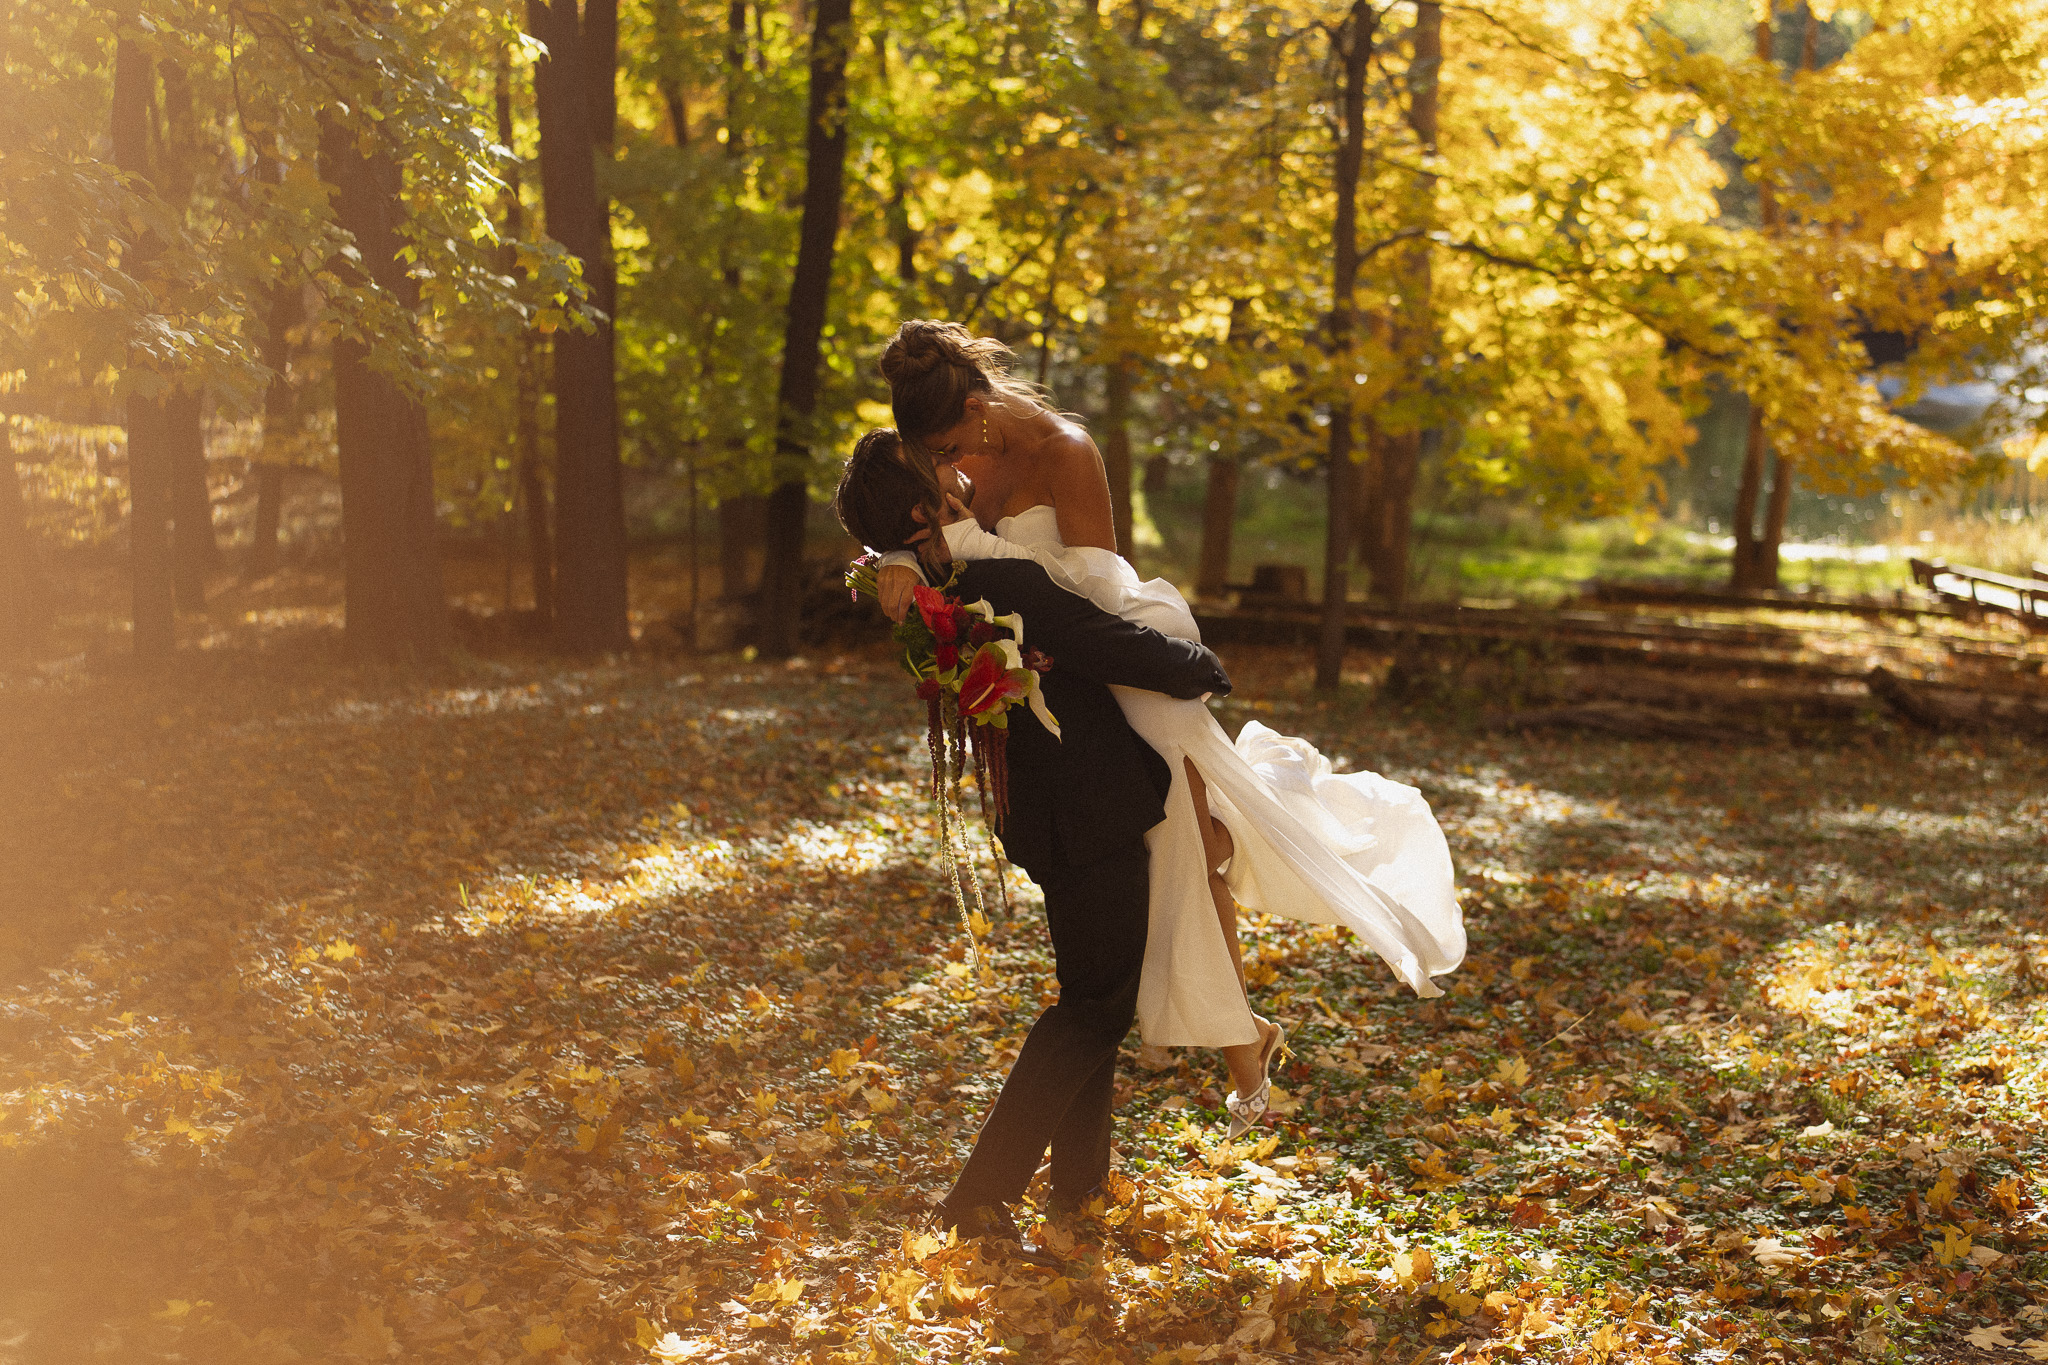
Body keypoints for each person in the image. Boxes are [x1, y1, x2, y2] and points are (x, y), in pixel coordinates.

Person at [871, 320, 1466, 1134]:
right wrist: (898, 560)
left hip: (1117, 649)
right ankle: (1229, 1036)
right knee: (1161, 858)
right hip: (1050, 686)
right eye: (930, 456)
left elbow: (1096, 592)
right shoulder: (942, 450)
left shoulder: (1066, 452)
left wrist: (1150, 676)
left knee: (1187, 835)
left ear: (978, 411)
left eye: (946, 449)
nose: (942, 469)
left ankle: (1238, 1044)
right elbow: (896, 513)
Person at [834, 430, 1235, 1247]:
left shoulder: (928, 594)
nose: (959, 473)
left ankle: (1079, 1185)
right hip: (1092, 806)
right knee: (1095, 1005)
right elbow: (1104, 641)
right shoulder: (999, 579)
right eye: (940, 472)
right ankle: (979, 1196)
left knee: (1092, 989)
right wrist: (1201, 666)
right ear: (921, 507)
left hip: (1043, 812)